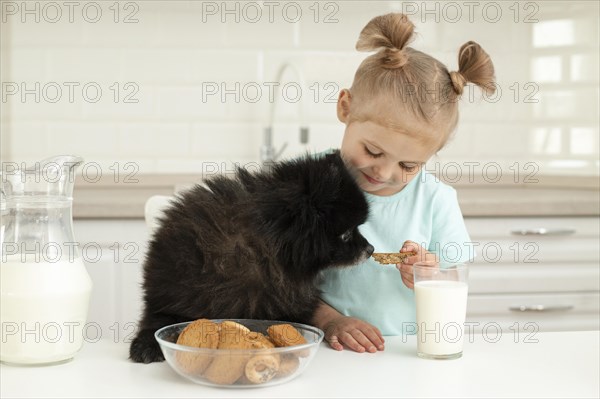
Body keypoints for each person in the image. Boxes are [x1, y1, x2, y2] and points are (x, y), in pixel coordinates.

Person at [311, 13, 496, 353]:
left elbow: (455, 281)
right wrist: (328, 320)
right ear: (345, 107)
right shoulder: (313, 183)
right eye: (372, 150)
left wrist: (429, 274)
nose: (383, 172)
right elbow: (280, 279)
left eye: (409, 164)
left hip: (407, 352)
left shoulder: (436, 200)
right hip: (325, 350)